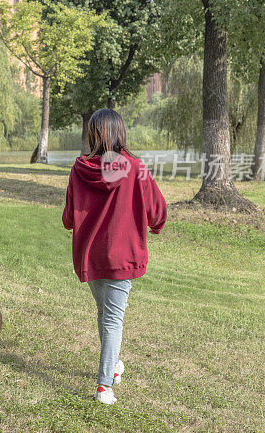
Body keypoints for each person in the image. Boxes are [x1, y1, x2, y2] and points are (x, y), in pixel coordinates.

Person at [62, 109, 167, 405]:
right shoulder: (136, 167)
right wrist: (157, 224)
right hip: (122, 253)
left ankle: (115, 366)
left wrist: (74, 222)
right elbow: (156, 207)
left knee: (105, 314)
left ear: (93, 133)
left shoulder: (79, 168)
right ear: (120, 132)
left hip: (90, 253)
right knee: (112, 319)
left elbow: (69, 216)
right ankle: (104, 386)